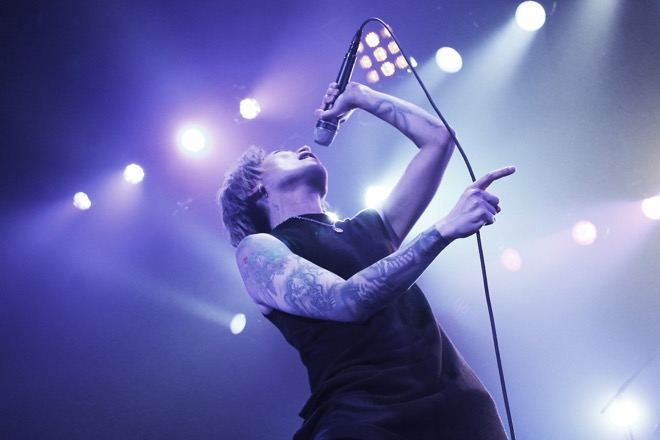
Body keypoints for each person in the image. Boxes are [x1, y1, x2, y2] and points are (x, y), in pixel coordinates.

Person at [218, 81, 515, 439]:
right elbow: (345, 300)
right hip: (366, 420)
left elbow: (439, 139)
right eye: (282, 154)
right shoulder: (258, 250)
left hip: (461, 409)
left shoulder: (370, 227)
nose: (302, 147)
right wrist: (441, 231)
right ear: (256, 188)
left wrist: (359, 96)